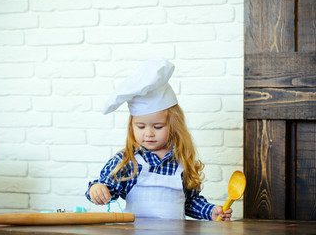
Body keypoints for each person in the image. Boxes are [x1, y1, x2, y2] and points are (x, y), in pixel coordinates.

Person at [85, 59, 232, 221]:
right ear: (131, 126)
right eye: (141, 127)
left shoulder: (181, 160)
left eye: (158, 126)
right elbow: (109, 187)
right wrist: (98, 189)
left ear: (174, 126)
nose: (149, 133)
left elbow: (189, 202)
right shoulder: (127, 160)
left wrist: (211, 211)